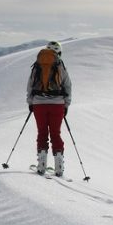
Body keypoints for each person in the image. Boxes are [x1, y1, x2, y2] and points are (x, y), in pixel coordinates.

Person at [27, 41, 72, 176]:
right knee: (55, 133)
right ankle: (59, 167)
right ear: (58, 52)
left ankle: (41, 166)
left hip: (39, 104)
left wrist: (31, 102)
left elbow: (30, 85)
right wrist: (66, 104)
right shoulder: (60, 66)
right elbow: (68, 86)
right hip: (57, 105)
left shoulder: (37, 66)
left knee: (42, 132)